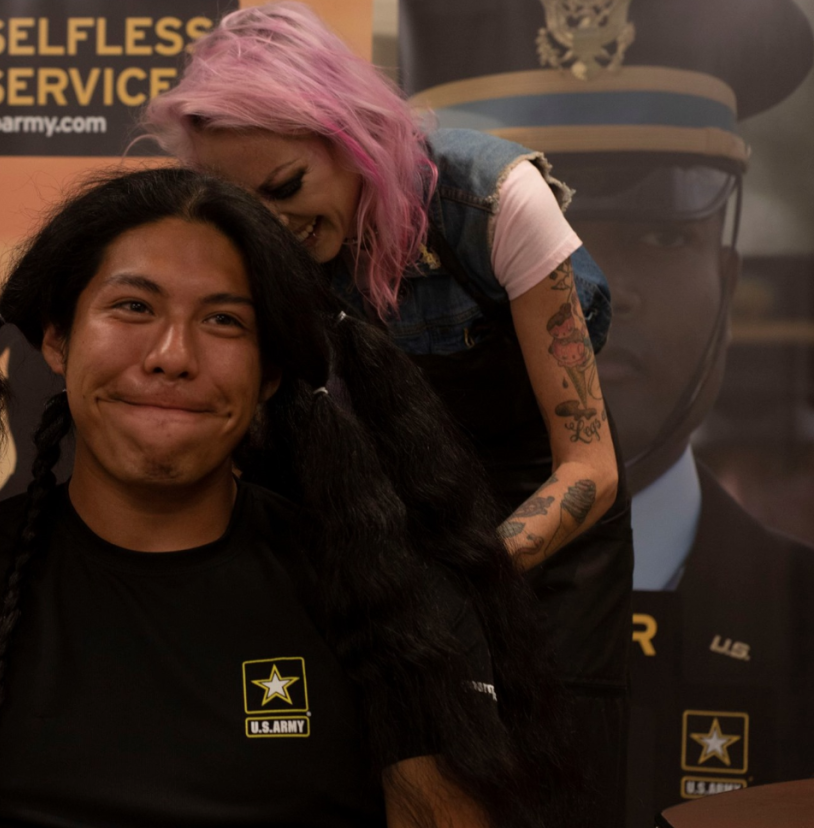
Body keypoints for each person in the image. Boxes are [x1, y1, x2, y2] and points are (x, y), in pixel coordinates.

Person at [0, 168, 573, 828]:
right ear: (56, 339)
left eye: (224, 322)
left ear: (272, 374)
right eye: (133, 307)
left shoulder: (394, 608)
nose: (172, 355)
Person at [142, 3, 632, 822]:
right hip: (395, 530)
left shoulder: (496, 200)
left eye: (288, 187)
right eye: (244, 209)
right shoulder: (259, 247)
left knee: (556, 791)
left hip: (545, 523)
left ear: (357, 133)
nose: (277, 229)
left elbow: (591, 467)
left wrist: (454, 580)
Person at [392, 0, 814, 822]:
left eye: (663, 235)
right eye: (519, 240)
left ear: (728, 285)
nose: (595, 291)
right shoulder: (324, 594)